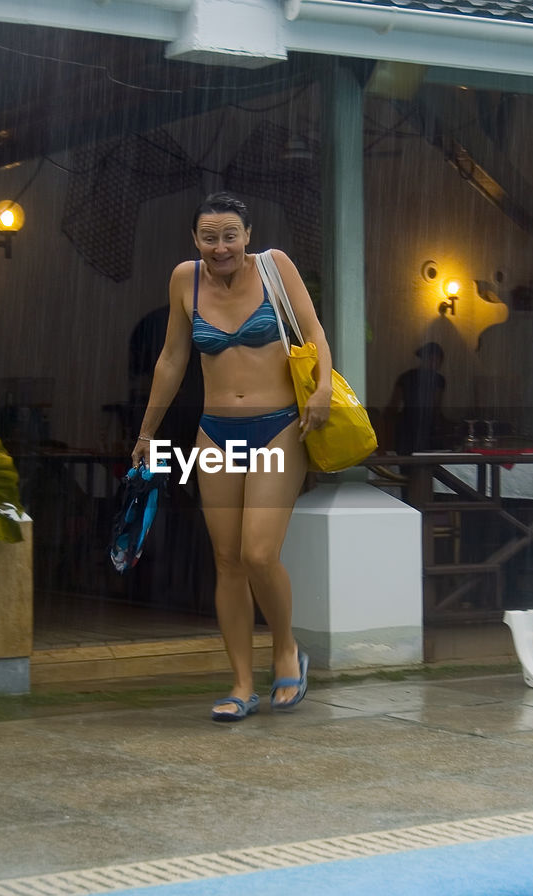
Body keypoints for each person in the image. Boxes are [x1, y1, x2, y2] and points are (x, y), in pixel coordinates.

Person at [130, 191, 332, 722]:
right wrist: (148, 431)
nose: (220, 247)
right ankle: (241, 683)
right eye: (209, 236)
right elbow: (173, 359)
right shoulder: (184, 280)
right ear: (195, 239)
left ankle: (286, 648)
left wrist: (323, 387)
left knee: (259, 553)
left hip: (278, 428)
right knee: (227, 561)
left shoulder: (275, 267)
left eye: (230, 235)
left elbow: (313, 332)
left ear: (247, 235)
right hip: (215, 435)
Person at [386, 342, 446, 454]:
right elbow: (435, 406)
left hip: (406, 425)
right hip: (425, 426)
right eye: (437, 360)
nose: (438, 364)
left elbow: (393, 405)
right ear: (429, 359)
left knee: (407, 462)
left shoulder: (405, 376)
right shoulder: (437, 379)